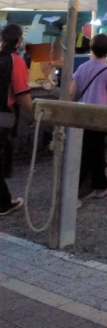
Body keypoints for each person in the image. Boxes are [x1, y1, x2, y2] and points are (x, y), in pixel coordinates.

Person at [70, 33, 107, 202]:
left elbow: (72, 93)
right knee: (92, 153)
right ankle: (75, 193)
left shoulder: (82, 68)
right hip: (100, 118)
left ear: (91, 48)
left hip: (82, 116)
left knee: (93, 152)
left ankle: (101, 185)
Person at [0, 24, 32, 217]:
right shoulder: (16, 61)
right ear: (19, 40)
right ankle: (3, 203)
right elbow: (22, 95)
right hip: (4, 116)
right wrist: (34, 116)